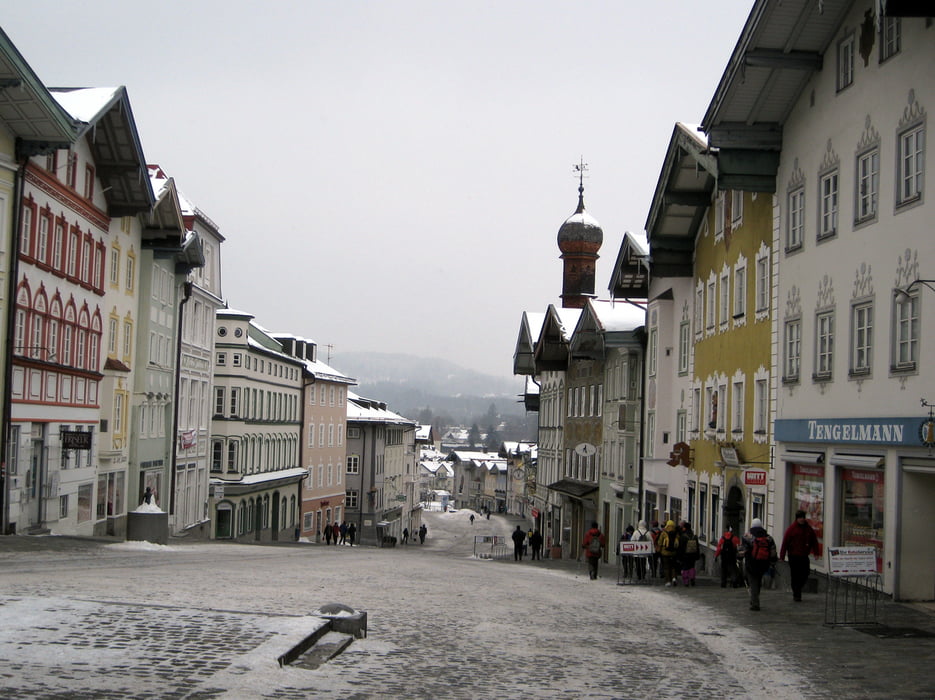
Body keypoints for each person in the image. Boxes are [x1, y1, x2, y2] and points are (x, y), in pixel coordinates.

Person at [780, 510, 820, 602]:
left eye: (803, 517)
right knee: (795, 575)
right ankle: (797, 594)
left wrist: (816, 553)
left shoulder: (808, 529)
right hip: (793, 556)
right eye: (800, 518)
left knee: (805, 573)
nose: (802, 519)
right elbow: (785, 543)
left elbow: (814, 541)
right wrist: (782, 556)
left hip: (804, 555)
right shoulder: (791, 529)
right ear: (797, 518)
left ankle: (798, 588)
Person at [741, 518, 778, 611]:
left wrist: (739, 557)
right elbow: (773, 551)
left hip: (751, 563)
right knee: (757, 581)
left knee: (753, 582)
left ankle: (755, 603)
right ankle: (754, 598)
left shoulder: (747, 537)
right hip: (763, 564)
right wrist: (773, 562)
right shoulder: (768, 538)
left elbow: (743, 550)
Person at [658, 520, 680, 587]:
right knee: (673, 567)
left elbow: (660, 542)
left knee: (666, 567)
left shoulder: (664, 533)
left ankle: (668, 581)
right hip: (673, 553)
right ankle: (674, 578)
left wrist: (660, 550)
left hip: (665, 553)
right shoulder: (676, 533)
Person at [679, 522, 700, 587]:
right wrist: (697, 555)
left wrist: (680, 556)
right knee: (692, 567)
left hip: (685, 555)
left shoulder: (683, 536)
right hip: (693, 554)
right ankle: (692, 578)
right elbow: (697, 546)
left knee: (685, 567)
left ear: (685, 528)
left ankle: (686, 581)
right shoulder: (694, 536)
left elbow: (681, 547)